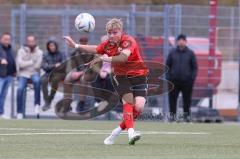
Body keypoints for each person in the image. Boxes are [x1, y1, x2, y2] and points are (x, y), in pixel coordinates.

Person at [63, 18, 149, 145]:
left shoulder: (128, 41)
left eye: (115, 32)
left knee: (139, 107)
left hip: (139, 75)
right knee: (129, 101)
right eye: (109, 33)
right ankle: (131, 133)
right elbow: (96, 49)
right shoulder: (107, 44)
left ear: (121, 31)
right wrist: (76, 45)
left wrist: (105, 58)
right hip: (120, 76)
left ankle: (116, 132)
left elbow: (123, 58)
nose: (112, 35)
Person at [166, 34, 198, 122]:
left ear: (185, 41)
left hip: (187, 82)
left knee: (187, 100)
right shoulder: (172, 53)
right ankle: (172, 117)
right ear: (177, 42)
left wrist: (192, 79)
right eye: (179, 40)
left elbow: (194, 67)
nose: (181, 41)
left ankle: (186, 117)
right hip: (173, 81)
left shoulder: (190, 53)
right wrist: (168, 78)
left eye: (183, 40)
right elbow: (167, 66)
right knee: (172, 100)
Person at [64, 36, 97, 112]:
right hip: (77, 72)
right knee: (67, 78)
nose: (83, 43)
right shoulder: (74, 53)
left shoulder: (92, 53)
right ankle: (67, 103)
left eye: (85, 42)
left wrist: (81, 73)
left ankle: (81, 102)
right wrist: (73, 72)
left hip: (89, 73)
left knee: (83, 79)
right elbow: (71, 65)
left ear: (87, 43)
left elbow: (93, 67)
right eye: (81, 42)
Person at [16, 35, 43, 119]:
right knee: (20, 89)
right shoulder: (21, 51)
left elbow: (37, 66)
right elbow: (20, 64)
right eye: (29, 41)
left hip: (34, 73)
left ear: (35, 41)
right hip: (23, 74)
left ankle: (37, 105)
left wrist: (25, 63)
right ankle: (19, 112)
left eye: (32, 41)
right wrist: (31, 61)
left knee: (37, 81)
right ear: (27, 42)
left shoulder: (39, 52)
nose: (31, 43)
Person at [41, 40, 66, 111]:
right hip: (48, 73)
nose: (52, 47)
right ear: (48, 47)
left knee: (55, 80)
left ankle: (49, 100)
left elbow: (64, 65)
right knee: (43, 80)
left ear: (56, 46)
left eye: (53, 46)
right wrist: (54, 65)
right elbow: (44, 66)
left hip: (59, 73)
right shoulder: (45, 54)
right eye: (50, 46)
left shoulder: (61, 53)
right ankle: (46, 102)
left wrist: (54, 66)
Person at [0, 33, 16, 119]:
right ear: (1, 39)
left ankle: (1, 112)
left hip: (9, 75)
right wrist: (1, 60)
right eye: (5, 39)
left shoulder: (10, 49)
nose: (7, 41)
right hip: (1, 75)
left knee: (3, 95)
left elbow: (12, 60)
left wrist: (14, 71)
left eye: (8, 39)